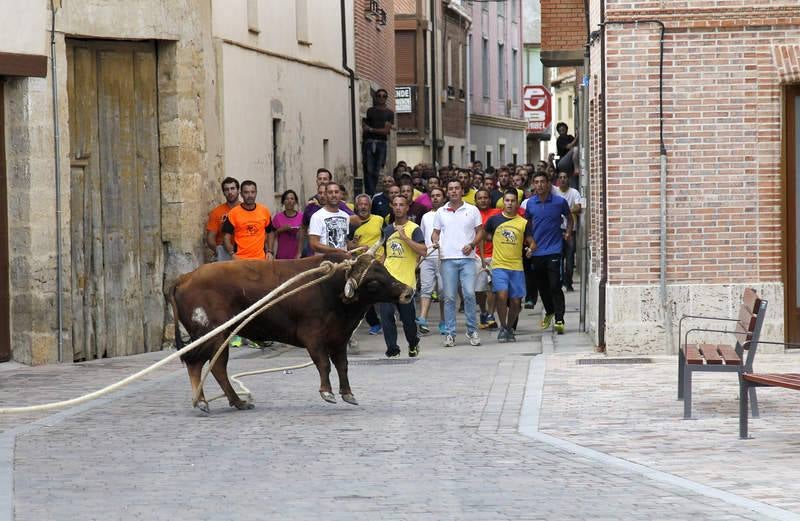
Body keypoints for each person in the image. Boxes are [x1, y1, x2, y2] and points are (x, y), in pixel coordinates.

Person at [431, 179, 483, 347]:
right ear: (448, 191)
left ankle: (472, 330)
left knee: (469, 294)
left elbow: (480, 232)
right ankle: (450, 333)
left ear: (462, 191)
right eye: (450, 189)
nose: (453, 191)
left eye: (456, 188)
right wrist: (435, 241)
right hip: (447, 258)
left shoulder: (472, 209)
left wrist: (472, 245)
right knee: (449, 297)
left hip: (468, 258)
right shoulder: (441, 211)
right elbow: (435, 233)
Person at [523, 172, 572, 334]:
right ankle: (550, 311)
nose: (539, 185)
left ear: (549, 184)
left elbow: (569, 217)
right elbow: (527, 226)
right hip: (537, 252)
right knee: (542, 287)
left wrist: (568, 232)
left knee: (555, 285)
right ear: (533, 184)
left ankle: (559, 318)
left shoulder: (559, 202)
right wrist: (531, 242)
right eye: (536, 182)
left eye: (542, 182)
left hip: (554, 249)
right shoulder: (530, 203)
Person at [380, 195, 428, 357]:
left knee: (408, 320)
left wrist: (404, 238)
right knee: (386, 315)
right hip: (388, 282)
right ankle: (392, 349)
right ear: (392, 207)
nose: (398, 208)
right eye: (395, 205)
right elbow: (385, 254)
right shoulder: (387, 230)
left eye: (402, 205)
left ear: (407, 207)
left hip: (406, 282)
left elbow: (423, 250)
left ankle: (413, 343)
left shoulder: (414, 228)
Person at [484, 190, 534, 342]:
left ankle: (510, 328)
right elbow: (484, 236)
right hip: (499, 265)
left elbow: (531, 241)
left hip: (517, 267)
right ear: (503, 202)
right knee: (501, 294)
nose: (510, 203)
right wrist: (482, 256)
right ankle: (503, 327)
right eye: (507, 200)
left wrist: (531, 249)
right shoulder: (494, 220)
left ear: (517, 203)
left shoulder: (523, 222)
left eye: (513, 201)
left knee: (516, 302)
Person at [350, 193, 385, 335]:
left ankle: (391, 317)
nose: (363, 207)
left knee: (386, 291)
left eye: (366, 204)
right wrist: (355, 246)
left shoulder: (379, 220)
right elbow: (347, 244)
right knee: (363, 294)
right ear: (356, 206)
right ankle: (375, 323)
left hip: (379, 262)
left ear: (370, 206)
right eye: (360, 204)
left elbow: (388, 238)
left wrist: (385, 256)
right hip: (361, 264)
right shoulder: (351, 223)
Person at [417, 186, 446, 335]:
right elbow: (422, 238)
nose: (435, 198)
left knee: (443, 291)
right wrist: (420, 257)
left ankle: (444, 321)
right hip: (427, 257)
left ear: (443, 197)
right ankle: (422, 319)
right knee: (426, 289)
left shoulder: (448, 214)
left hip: (444, 257)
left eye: (438, 195)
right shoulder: (426, 217)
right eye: (433, 195)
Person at [221, 180, 273, 260]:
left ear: (256, 193)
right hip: (240, 260)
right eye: (246, 192)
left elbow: (271, 232)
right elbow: (226, 238)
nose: (250, 195)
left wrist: (269, 251)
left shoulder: (264, 211)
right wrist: (232, 254)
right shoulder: (233, 213)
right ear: (241, 194)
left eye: (252, 192)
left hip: (261, 259)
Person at [474, 189, 501, 330]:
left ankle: (490, 315)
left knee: (492, 287)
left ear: (490, 199)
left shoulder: (497, 213)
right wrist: (483, 258)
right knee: (479, 290)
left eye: (486, 197)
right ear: (476, 200)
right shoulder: (473, 214)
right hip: (477, 256)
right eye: (480, 198)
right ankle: (483, 312)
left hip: (496, 255)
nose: (483, 200)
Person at [362, 89, 395, 195]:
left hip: (381, 144)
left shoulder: (389, 113)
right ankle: (370, 193)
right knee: (369, 170)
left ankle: (375, 193)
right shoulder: (370, 111)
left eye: (384, 96)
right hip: (369, 142)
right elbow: (364, 126)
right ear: (375, 97)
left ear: (386, 98)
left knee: (377, 171)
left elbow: (386, 131)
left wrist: (371, 129)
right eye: (379, 96)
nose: (381, 98)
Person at [308, 182, 352, 255]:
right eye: (330, 192)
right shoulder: (317, 217)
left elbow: (344, 241)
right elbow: (314, 245)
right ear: (325, 195)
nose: (334, 195)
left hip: (342, 263)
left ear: (341, 195)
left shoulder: (346, 216)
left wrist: (359, 246)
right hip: (324, 263)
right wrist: (336, 251)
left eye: (336, 192)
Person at [555, 171, 582, 292]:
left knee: (570, 258)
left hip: (571, 229)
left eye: (565, 177)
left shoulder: (574, 192)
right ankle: (559, 281)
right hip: (556, 229)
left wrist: (566, 210)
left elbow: (578, 207)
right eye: (560, 177)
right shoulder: (554, 192)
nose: (563, 179)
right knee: (558, 257)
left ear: (568, 179)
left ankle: (568, 282)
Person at [205, 177, 240, 261]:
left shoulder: (245, 210)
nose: (230, 192)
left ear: (238, 190)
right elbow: (210, 238)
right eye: (226, 189)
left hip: (243, 250)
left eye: (232, 188)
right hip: (223, 252)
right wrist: (219, 252)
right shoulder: (216, 212)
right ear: (224, 192)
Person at [269, 189, 303, 260]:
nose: (289, 201)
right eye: (287, 199)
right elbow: (271, 235)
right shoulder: (277, 217)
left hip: (297, 256)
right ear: (283, 202)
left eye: (292, 199)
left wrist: (299, 253)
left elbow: (304, 235)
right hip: (281, 255)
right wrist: (281, 230)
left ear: (296, 202)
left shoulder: (301, 217)